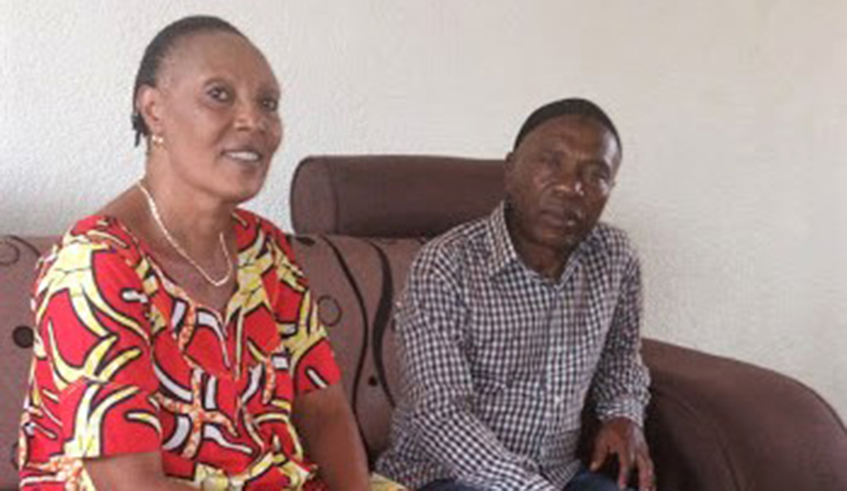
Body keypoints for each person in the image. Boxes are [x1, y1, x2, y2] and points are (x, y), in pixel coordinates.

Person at [17, 15, 404, 491]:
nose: (253, 121)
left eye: (268, 104)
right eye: (219, 94)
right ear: (154, 109)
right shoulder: (95, 265)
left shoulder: (266, 251)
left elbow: (323, 410)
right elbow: (130, 483)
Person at [377, 98, 655, 491]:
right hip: (442, 477)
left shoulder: (614, 256)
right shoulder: (446, 263)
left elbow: (621, 357)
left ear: (611, 188)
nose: (570, 187)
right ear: (510, 170)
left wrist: (624, 415)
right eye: (551, 162)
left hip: (559, 475)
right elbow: (440, 414)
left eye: (595, 175)